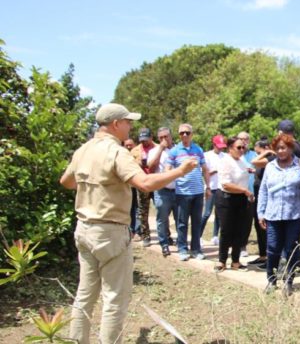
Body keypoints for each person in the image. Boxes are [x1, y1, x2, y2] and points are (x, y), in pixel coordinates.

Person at [60, 103, 197, 344]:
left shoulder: (83, 150)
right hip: (109, 232)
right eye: (127, 121)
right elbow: (144, 183)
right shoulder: (117, 152)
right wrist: (181, 171)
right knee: (114, 299)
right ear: (115, 124)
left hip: (84, 228)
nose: (130, 126)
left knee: (85, 295)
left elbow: (67, 182)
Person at [257, 134, 300, 295]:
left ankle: (289, 281)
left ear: (291, 148)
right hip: (272, 215)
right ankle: (271, 280)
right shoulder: (270, 167)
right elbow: (263, 191)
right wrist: (261, 212)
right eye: (277, 148)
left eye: (283, 147)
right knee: (272, 248)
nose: (280, 151)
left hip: (295, 215)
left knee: (291, 248)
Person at [166, 124, 211, 261]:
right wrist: (177, 177)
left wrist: (208, 187)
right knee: (182, 223)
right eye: (181, 133)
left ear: (192, 134)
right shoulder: (174, 151)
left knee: (196, 222)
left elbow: (204, 169)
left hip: (198, 192)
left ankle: (196, 249)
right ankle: (182, 248)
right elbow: (167, 170)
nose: (184, 135)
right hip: (182, 193)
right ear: (178, 135)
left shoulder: (198, 150)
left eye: (187, 133)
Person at [214, 136, 255, 271]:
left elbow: (249, 169)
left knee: (239, 230)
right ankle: (222, 260)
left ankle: (236, 261)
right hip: (226, 198)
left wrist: (253, 171)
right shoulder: (225, 161)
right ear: (230, 148)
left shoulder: (242, 160)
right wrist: (245, 190)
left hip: (241, 199)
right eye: (239, 147)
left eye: (243, 147)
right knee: (226, 230)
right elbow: (226, 184)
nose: (242, 150)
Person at [147, 127, 177, 257]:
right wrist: (160, 149)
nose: (164, 139)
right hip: (161, 190)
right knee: (162, 218)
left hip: (178, 190)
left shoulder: (178, 150)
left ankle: (181, 244)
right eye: (161, 138)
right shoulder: (154, 151)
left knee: (180, 218)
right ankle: (164, 244)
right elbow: (151, 168)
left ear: (171, 136)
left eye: (166, 136)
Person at [248, 137, 275, 268]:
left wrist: (265, 152)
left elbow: (254, 162)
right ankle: (263, 255)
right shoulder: (265, 160)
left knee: (265, 227)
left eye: (258, 152)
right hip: (258, 195)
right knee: (258, 226)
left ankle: (269, 257)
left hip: (265, 197)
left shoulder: (270, 158)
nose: (257, 155)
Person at [130, 128, 156, 247]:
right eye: (142, 140)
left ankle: (165, 235)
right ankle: (145, 235)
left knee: (162, 210)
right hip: (142, 183)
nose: (144, 142)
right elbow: (130, 165)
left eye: (146, 140)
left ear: (151, 138)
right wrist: (139, 164)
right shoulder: (135, 150)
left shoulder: (158, 148)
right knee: (142, 211)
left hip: (157, 182)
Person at [200, 134, 227, 246]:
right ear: (214, 144)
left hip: (221, 188)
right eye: (218, 146)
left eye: (222, 146)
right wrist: (215, 171)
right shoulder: (207, 155)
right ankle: (198, 235)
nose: (220, 148)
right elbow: (203, 172)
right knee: (206, 213)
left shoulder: (225, 156)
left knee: (219, 214)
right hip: (210, 187)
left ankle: (215, 235)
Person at [237, 131, 257, 257]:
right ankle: (234, 244)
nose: (243, 141)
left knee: (247, 221)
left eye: (245, 139)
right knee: (235, 221)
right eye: (241, 139)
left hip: (250, 193)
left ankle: (242, 246)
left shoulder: (254, 155)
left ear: (249, 141)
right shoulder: (234, 154)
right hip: (236, 193)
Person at [123, 138, 140, 238]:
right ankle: (131, 229)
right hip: (127, 186)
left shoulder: (137, 153)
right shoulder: (122, 155)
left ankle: (137, 230)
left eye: (130, 145)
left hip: (138, 184)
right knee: (130, 208)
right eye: (127, 145)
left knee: (137, 209)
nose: (129, 147)